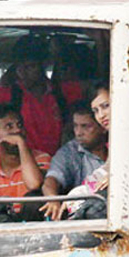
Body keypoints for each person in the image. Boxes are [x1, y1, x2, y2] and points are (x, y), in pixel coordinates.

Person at [42, 88, 111, 220]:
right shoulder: (69, 152)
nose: (78, 132)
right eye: (75, 126)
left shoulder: (120, 142)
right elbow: (51, 180)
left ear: (102, 128)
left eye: (86, 126)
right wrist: (53, 199)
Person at [0, 106, 51, 197]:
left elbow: (34, 184)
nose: (17, 130)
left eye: (20, 125)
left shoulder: (42, 158)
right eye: (9, 127)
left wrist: (21, 143)